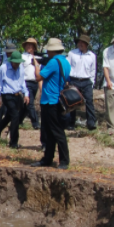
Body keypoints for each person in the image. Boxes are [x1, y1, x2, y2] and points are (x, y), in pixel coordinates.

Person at [31, 38, 71, 170]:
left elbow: (38, 77)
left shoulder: (53, 62)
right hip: (57, 100)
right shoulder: (65, 62)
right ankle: (47, 158)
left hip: (50, 101)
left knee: (56, 131)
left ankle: (64, 160)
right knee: (50, 132)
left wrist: (37, 65)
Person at [0, 51, 28, 148]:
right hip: (7, 95)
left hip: (17, 95)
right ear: (11, 61)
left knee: (8, 117)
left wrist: (26, 94)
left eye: (18, 63)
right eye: (15, 63)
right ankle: (13, 142)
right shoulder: (3, 68)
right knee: (15, 116)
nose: (17, 65)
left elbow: (23, 82)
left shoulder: (21, 68)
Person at [65, 30, 97, 130]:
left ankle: (91, 123)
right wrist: (66, 80)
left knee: (89, 102)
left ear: (87, 44)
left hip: (86, 81)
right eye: (79, 42)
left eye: (83, 43)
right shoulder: (72, 53)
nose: (80, 44)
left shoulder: (92, 56)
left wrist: (92, 83)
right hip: (74, 79)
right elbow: (67, 67)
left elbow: (93, 70)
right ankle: (71, 123)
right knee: (72, 102)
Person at [0, 43, 18, 126]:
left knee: (6, 102)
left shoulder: (15, 59)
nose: (10, 54)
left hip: (11, 83)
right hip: (2, 82)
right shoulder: (0, 58)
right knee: (6, 100)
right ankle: (2, 118)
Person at [20, 38, 41, 131]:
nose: (29, 46)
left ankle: (19, 120)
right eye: (27, 45)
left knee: (26, 104)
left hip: (35, 82)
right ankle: (35, 122)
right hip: (26, 82)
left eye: (31, 45)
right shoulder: (22, 57)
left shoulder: (38, 58)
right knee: (30, 103)